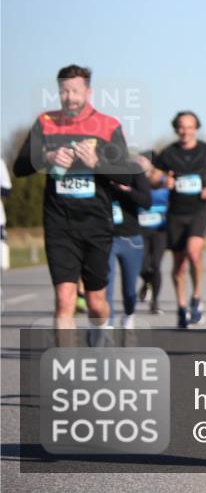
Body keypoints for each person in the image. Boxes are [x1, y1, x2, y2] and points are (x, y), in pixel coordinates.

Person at [12, 64, 134, 333]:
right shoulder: (45, 123)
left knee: (95, 302)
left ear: (88, 92)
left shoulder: (107, 125)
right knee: (64, 300)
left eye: (75, 91)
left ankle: (104, 331)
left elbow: (127, 176)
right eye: (64, 91)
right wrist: (47, 158)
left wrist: (98, 162)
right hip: (59, 223)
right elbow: (19, 167)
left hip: (95, 224)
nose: (70, 97)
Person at [152, 111, 206, 328]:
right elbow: (153, 176)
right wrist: (164, 179)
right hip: (176, 212)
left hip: (198, 211)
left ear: (196, 128)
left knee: (194, 253)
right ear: (176, 129)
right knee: (179, 265)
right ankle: (181, 306)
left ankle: (196, 298)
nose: (185, 131)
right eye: (181, 126)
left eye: (190, 126)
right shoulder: (168, 153)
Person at [107, 158, 153, 328]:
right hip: (106, 238)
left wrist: (126, 190)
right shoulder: (96, 168)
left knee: (129, 290)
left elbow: (147, 202)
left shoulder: (133, 170)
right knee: (106, 286)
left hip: (131, 238)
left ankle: (128, 314)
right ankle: (107, 325)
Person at [137, 152, 168, 314]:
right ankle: (147, 282)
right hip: (140, 229)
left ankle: (155, 302)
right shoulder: (137, 179)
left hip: (159, 230)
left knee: (155, 265)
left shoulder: (164, 182)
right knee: (141, 267)